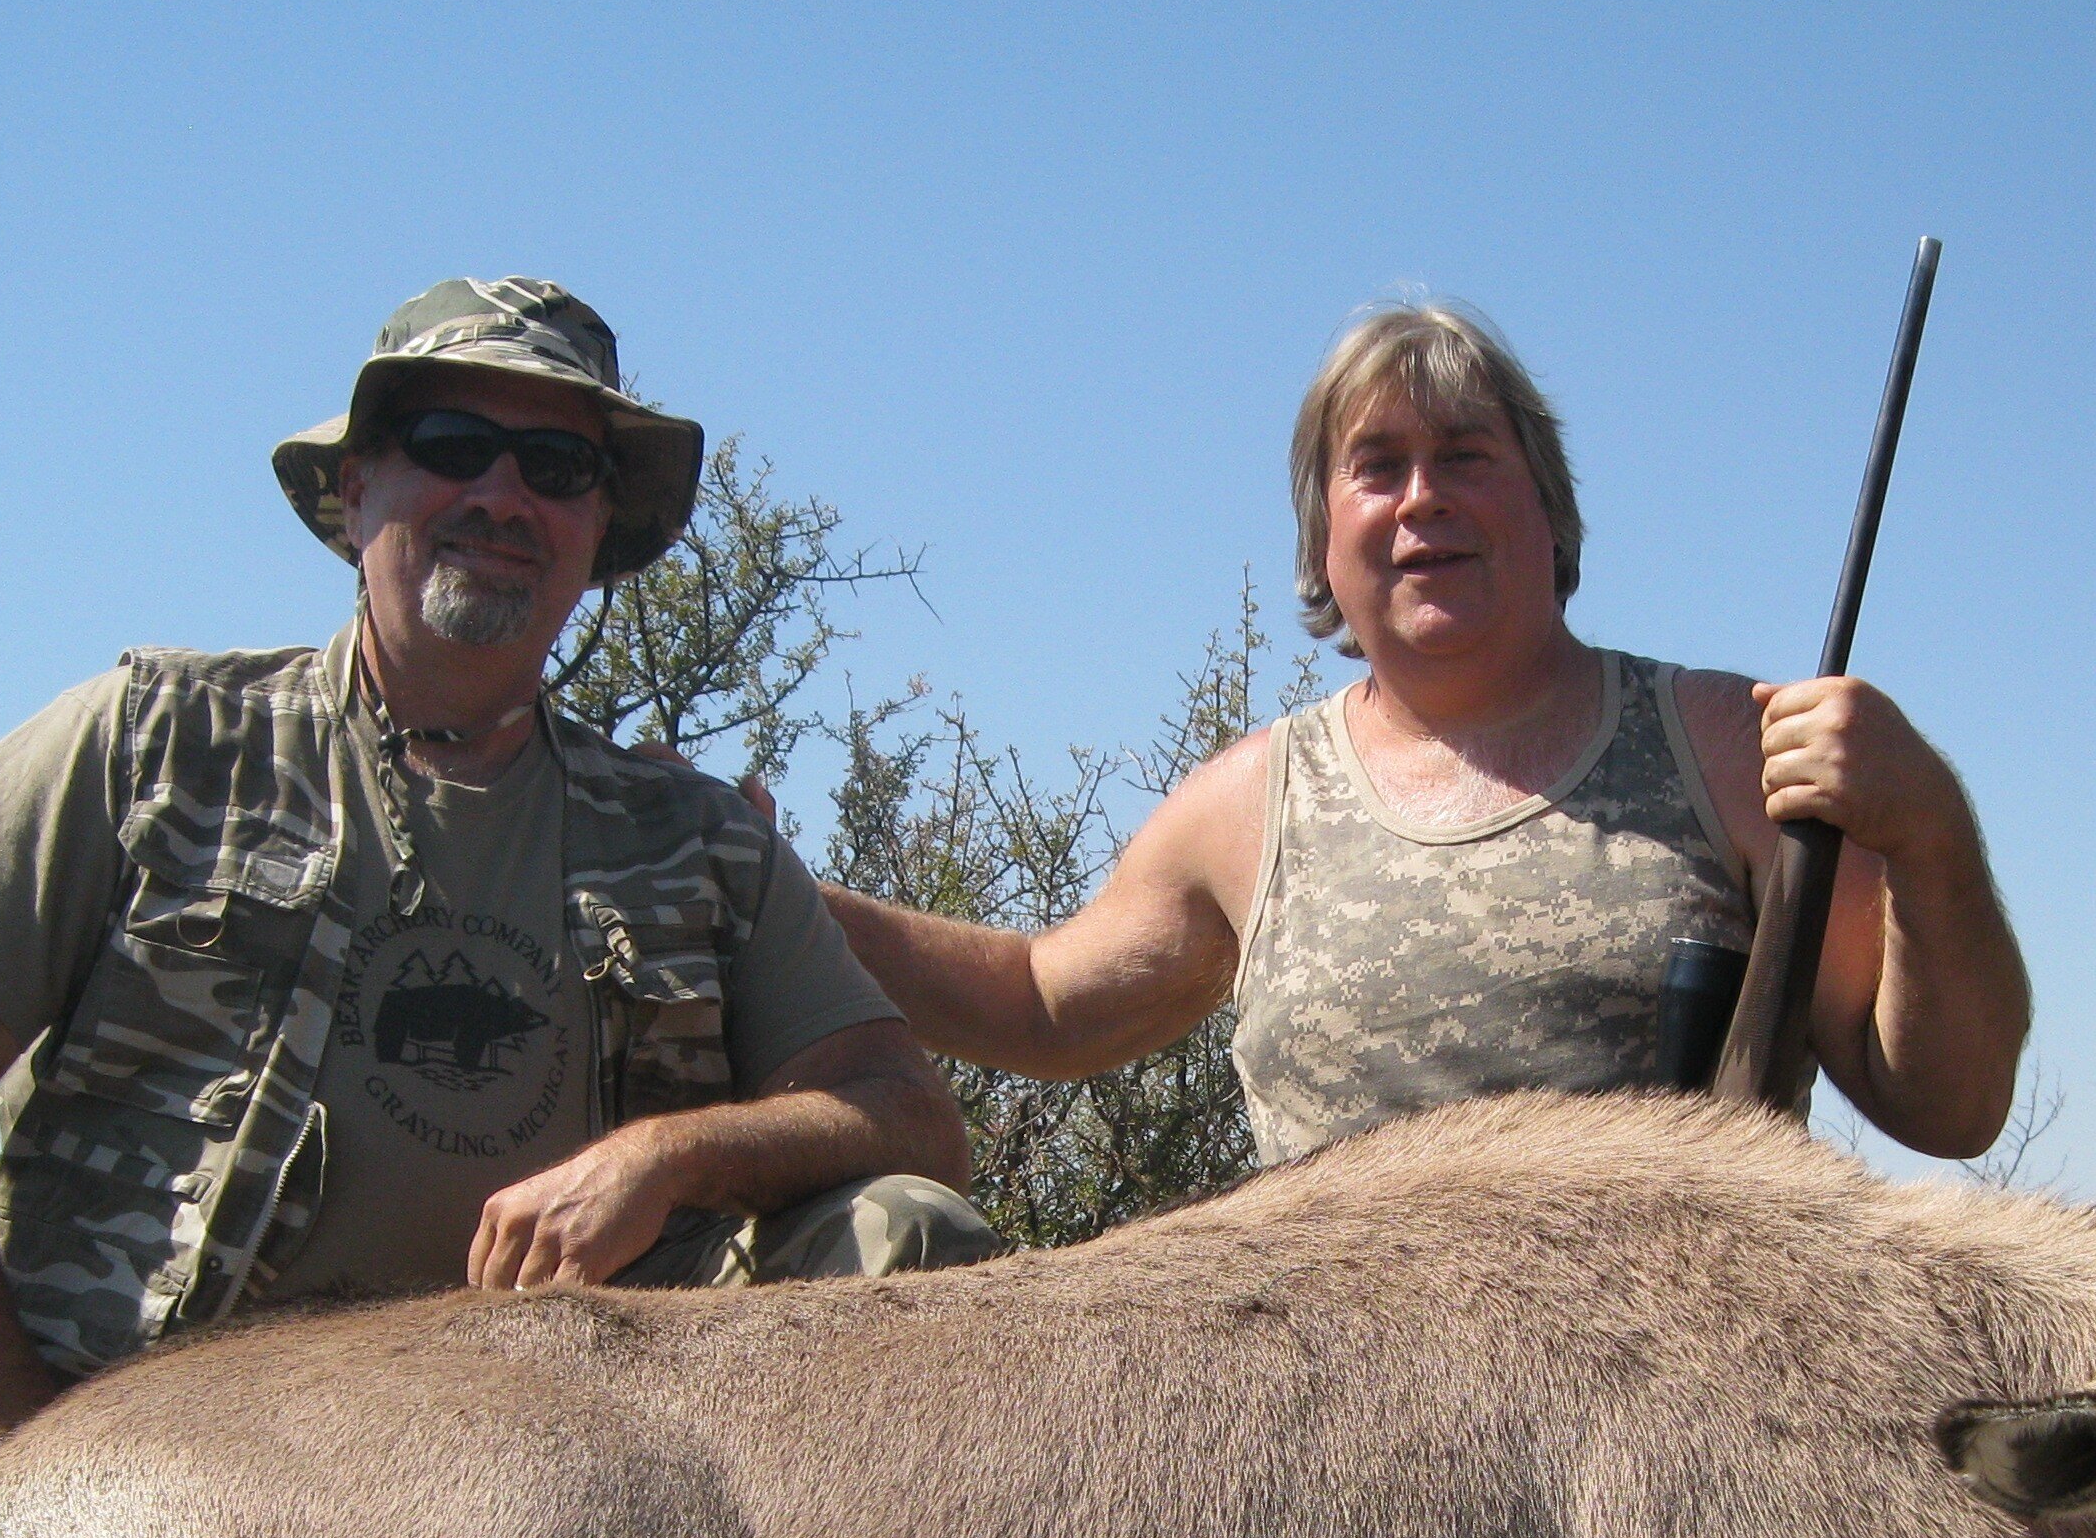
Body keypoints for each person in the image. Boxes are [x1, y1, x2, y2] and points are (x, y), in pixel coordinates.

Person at [0, 278, 995, 1538]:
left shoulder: (693, 838)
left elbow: (909, 1116)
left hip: (532, 1508)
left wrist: (670, 1155)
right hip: (136, 1478)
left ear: (597, 529)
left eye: (556, 464)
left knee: (901, 1234)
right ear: (358, 488)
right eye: (450, 446)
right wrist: (20, 1466)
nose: (502, 494)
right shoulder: (153, 744)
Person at [810, 303, 2028, 1167]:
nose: (1422, 497)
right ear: (1321, 542)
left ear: (1551, 514)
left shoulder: (1731, 748)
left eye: (1465, 456)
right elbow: (1038, 1004)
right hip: (1338, 1463)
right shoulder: (1246, 806)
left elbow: (1950, 1105)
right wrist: (774, 894)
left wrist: (1928, 831)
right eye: (1376, 466)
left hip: (1668, 1452)